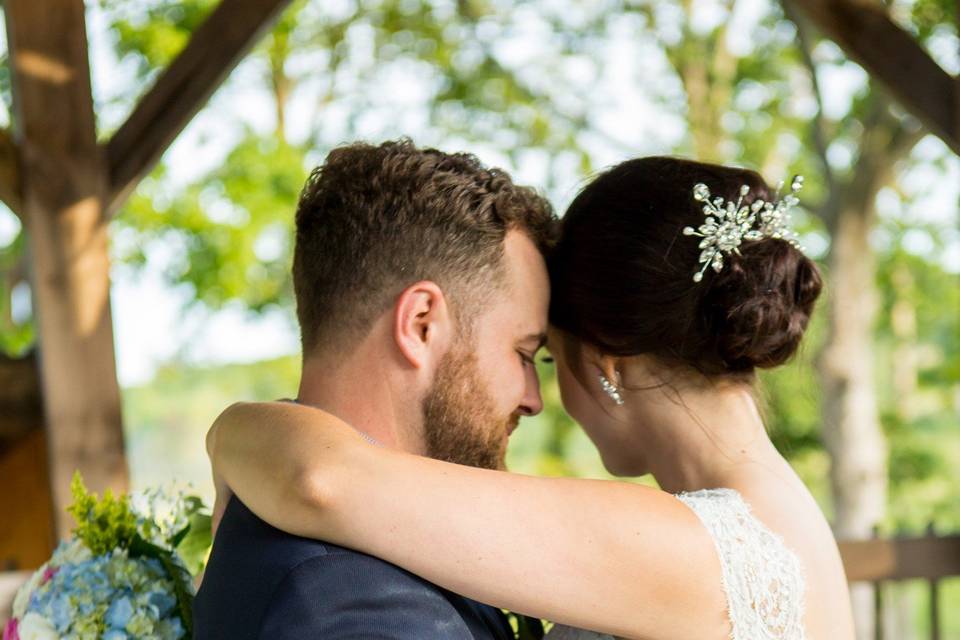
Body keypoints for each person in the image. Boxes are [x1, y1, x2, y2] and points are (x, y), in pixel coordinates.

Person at [208, 156, 859, 639]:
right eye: (528, 355)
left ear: (605, 362)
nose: (538, 395)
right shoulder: (773, 521)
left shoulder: (690, 543)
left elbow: (321, 479)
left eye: (543, 356)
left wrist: (232, 430)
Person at [193, 139, 559, 639]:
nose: (533, 398)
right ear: (421, 324)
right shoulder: (353, 605)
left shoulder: (313, 529)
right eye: (522, 353)